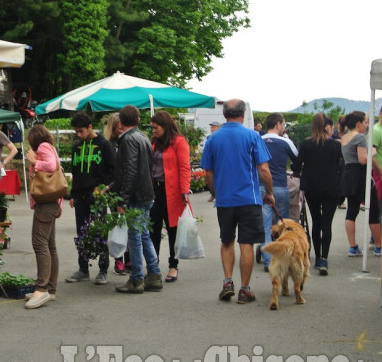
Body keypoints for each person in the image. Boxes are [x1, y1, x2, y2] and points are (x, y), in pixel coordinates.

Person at [200, 99, 274, 304]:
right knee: (246, 243)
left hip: (225, 201)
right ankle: (245, 289)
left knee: (226, 241)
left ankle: (227, 282)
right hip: (249, 199)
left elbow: (208, 173)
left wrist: (216, 193)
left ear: (224, 115)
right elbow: (264, 169)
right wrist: (269, 192)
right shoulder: (252, 136)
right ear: (242, 115)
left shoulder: (213, 139)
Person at [112, 105, 163, 294]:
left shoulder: (128, 140)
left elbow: (130, 171)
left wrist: (123, 200)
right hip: (147, 193)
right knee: (144, 235)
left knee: (135, 238)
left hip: (136, 196)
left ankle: (136, 279)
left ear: (120, 122)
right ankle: (154, 275)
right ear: (138, 120)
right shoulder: (143, 138)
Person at [65, 112, 115, 285]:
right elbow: (76, 172)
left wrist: (102, 187)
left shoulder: (105, 145)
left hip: (97, 196)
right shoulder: (76, 148)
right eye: (76, 132)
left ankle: (103, 270)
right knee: (82, 232)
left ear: (90, 127)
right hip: (80, 196)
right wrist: (73, 194)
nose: (79, 135)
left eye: (81, 131)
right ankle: (83, 268)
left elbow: (114, 171)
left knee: (100, 231)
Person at [291, 113, 342, 275]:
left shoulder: (307, 144)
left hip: (312, 188)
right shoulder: (335, 145)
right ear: (327, 127)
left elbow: (297, 165)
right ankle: (324, 260)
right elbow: (338, 165)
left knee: (316, 222)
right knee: (327, 224)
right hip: (331, 187)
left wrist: (297, 171)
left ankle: (317, 255)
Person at [148, 111, 191, 283]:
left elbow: (184, 167)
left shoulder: (179, 142)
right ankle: (154, 265)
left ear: (165, 126)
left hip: (172, 192)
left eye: (155, 128)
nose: (153, 131)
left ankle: (173, 265)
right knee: (153, 230)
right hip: (154, 191)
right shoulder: (154, 143)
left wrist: (185, 190)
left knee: (173, 230)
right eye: (152, 128)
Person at [25, 125, 63, 308]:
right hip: (51, 202)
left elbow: (51, 166)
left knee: (39, 243)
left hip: (46, 203)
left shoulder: (42, 148)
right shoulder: (50, 147)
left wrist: (34, 161)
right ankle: (50, 288)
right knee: (49, 245)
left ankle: (41, 290)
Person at [258, 113, 298, 272]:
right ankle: (282, 258)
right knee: (282, 225)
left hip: (262, 187)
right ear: (278, 125)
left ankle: (268, 261)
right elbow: (298, 160)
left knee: (265, 226)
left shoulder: (258, 140)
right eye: (284, 124)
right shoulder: (286, 142)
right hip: (280, 186)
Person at [339, 111, 381, 257]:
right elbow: (363, 159)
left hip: (348, 175)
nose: (367, 125)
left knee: (351, 211)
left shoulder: (344, 137)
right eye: (366, 122)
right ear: (358, 124)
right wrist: (373, 153)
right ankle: (379, 246)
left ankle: (353, 246)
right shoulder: (361, 137)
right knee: (373, 211)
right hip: (361, 176)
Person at [104, 112, 130, 274]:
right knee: (117, 224)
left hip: (126, 188)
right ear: (113, 128)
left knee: (128, 225)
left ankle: (129, 259)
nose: (122, 130)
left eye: (123, 127)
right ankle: (118, 259)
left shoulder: (127, 142)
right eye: (119, 127)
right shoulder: (109, 144)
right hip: (113, 190)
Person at [372, 103, 382, 228]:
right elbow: (371, 154)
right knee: (380, 208)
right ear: (380, 114)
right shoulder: (376, 130)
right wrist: (381, 172)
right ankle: (378, 240)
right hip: (379, 174)